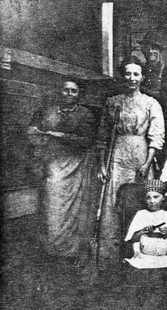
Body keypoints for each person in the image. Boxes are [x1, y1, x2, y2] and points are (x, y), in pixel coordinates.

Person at [97, 56, 165, 268]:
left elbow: (156, 136)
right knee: (113, 203)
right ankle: (111, 259)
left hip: (141, 155)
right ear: (122, 76)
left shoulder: (151, 103)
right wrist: (101, 163)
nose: (132, 78)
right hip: (116, 156)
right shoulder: (113, 102)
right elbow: (103, 135)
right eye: (128, 73)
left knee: (140, 201)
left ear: (142, 77)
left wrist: (147, 163)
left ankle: (139, 254)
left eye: (136, 74)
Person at [27, 80, 98, 265]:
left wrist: (60, 135)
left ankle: (70, 250)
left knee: (73, 208)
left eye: (73, 91)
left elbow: (87, 140)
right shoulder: (48, 111)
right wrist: (40, 135)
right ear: (60, 91)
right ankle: (52, 248)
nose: (69, 94)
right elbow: (33, 132)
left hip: (75, 165)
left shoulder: (84, 114)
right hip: (52, 163)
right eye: (66, 90)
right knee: (52, 206)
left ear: (78, 94)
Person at [123, 179, 167, 269]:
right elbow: (132, 239)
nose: (152, 201)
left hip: (165, 256)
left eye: (156, 197)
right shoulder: (141, 214)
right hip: (143, 256)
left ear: (163, 197)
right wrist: (142, 231)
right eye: (148, 198)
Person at [138, 31, 167, 167]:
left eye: (154, 48)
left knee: (165, 162)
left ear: (160, 51)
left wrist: (143, 90)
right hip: (142, 121)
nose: (150, 51)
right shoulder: (139, 71)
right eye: (147, 48)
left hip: (162, 122)